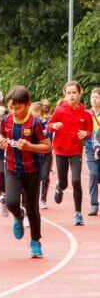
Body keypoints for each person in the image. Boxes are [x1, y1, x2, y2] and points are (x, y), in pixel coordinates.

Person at [0, 86, 52, 258]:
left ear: (28, 105)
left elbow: (47, 146)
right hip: (12, 168)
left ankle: (35, 241)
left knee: (32, 208)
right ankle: (18, 215)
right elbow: (0, 137)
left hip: (32, 171)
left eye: (18, 108)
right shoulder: (6, 120)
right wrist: (1, 142)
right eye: (11, 107)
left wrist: (29, 146)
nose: (14, 111)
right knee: (12, 202)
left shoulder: (35, 123)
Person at [47, 81, 93, 225]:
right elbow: (49, 127)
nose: (71, 95)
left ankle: (78, 213)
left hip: (75, 151)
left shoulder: (85, 114)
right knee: (64, 182)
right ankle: (60, 187)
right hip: (60, 150)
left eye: (74, 93)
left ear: (80, 94)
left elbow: (89, 131)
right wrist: (54, 125)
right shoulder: (59, 110)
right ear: (65, 95)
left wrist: (85, 133)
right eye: (69, 93)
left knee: (76, 180)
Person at [30, 101, 53, 209]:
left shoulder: (48, 122)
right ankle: (33, 198)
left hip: (47, 153)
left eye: (32, 112)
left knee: (45, 176)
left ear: (38, 112)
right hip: (35, 153)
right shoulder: (31, 123)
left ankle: (43, 199)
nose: (30, 114)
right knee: (35, 178)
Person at [85, 88, 100, 216]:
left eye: (97, 97)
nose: (94, 99)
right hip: (90, 148)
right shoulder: (87, 114)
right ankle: (94, 204)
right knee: (93, 174)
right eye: (92, 96)